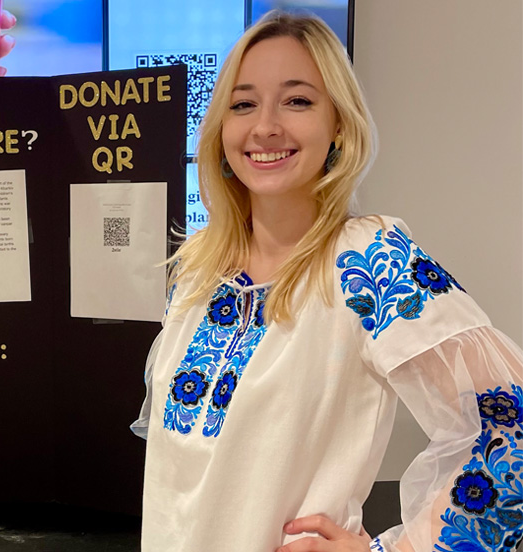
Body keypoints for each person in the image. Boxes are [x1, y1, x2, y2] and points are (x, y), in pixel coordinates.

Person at [132, 12, 523, 552]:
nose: (265, 126)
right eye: (243, 104)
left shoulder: (368, 259)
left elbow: (513, 427)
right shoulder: (198, 267)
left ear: (339, 123)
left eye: (297, 101)